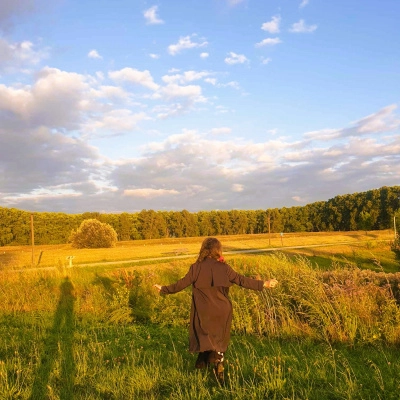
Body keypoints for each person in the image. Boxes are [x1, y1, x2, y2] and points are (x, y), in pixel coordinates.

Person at [153, 237, 278, 383]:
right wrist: (265, 284)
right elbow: (242, 280)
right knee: (219, 338)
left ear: (203, 249)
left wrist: (164, 289)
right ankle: (219, 361)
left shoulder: (196, 267)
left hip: (204, 311)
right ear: (218, 250)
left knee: (205, 335)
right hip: (222, 310)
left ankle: (205, 362)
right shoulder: (224, 268)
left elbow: (181, 284)